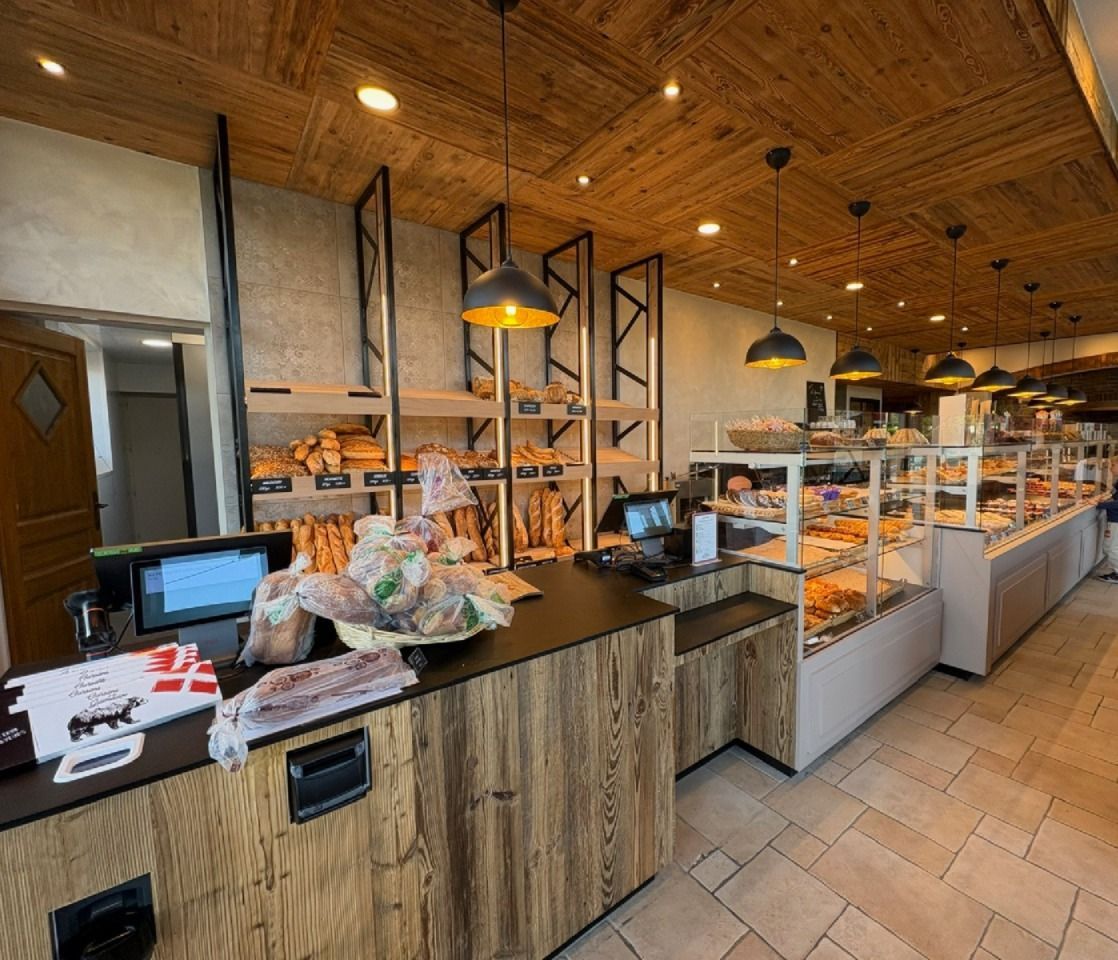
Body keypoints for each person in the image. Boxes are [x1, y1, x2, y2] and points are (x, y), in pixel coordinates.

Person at [1096, 458, 1118, 583]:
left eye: (1113, 465)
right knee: (1112, 546)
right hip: (1114, 519)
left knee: (1111, 548)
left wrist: (1101, 504)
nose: (1110, 468)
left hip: (1116, 520)